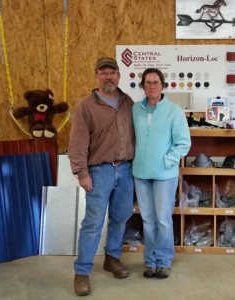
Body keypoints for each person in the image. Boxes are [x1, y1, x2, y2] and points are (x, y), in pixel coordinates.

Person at [68, 57, 135, 296]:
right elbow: (77, 143)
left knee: (120, 218)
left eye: (112, 72)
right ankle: (82, 271)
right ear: (96, 76)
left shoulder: (127, 102)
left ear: (119, 75)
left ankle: (112, 258)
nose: (108, 77)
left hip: (126, 170)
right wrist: (81, 173)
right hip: (99, 171)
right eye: (103, 72)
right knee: (93, 223)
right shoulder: (86, 105)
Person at [132, 68, 191, 279]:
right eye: (147, 83)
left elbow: (183, 143)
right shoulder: (135, 110)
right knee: (148, 220)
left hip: (165, 174)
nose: (152, 86)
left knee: (163, 220)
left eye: (155, 82)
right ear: (143, 86)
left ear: (163, 85)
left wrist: (167, 160)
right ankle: (150, 261)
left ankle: (164, 261)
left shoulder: (174, 111)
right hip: (140, 173)